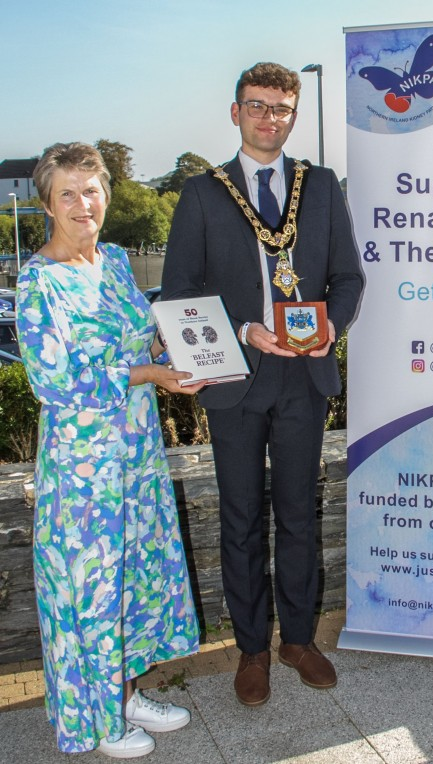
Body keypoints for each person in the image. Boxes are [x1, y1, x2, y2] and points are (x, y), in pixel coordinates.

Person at [161, 62, 363, 706]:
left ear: (293, 116)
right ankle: (252, 650)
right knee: (243, 517)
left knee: (300, 515)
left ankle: (298, 640)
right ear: (235, 112)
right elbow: (180, 292)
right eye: (257, 106)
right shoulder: (200, 194)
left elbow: (349, 280)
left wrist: (330, 324)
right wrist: (246, 329)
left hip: (303, 376)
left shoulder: (323, 185)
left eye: (281, 108)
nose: (268, 117)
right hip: (235, 381)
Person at [16, 143, 203, 759]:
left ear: (106, 196)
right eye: (66, 192)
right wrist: (149, 376)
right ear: (46, 201)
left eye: (90, 190)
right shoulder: (39, 280)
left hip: (137, 450)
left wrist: (171, 363)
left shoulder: (118, 261)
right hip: (83, 464)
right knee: (90, 587)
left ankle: (121, 692)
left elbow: (140, 343)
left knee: (129, 575)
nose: (81, 203)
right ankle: (94, 721)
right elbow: (55, 383)